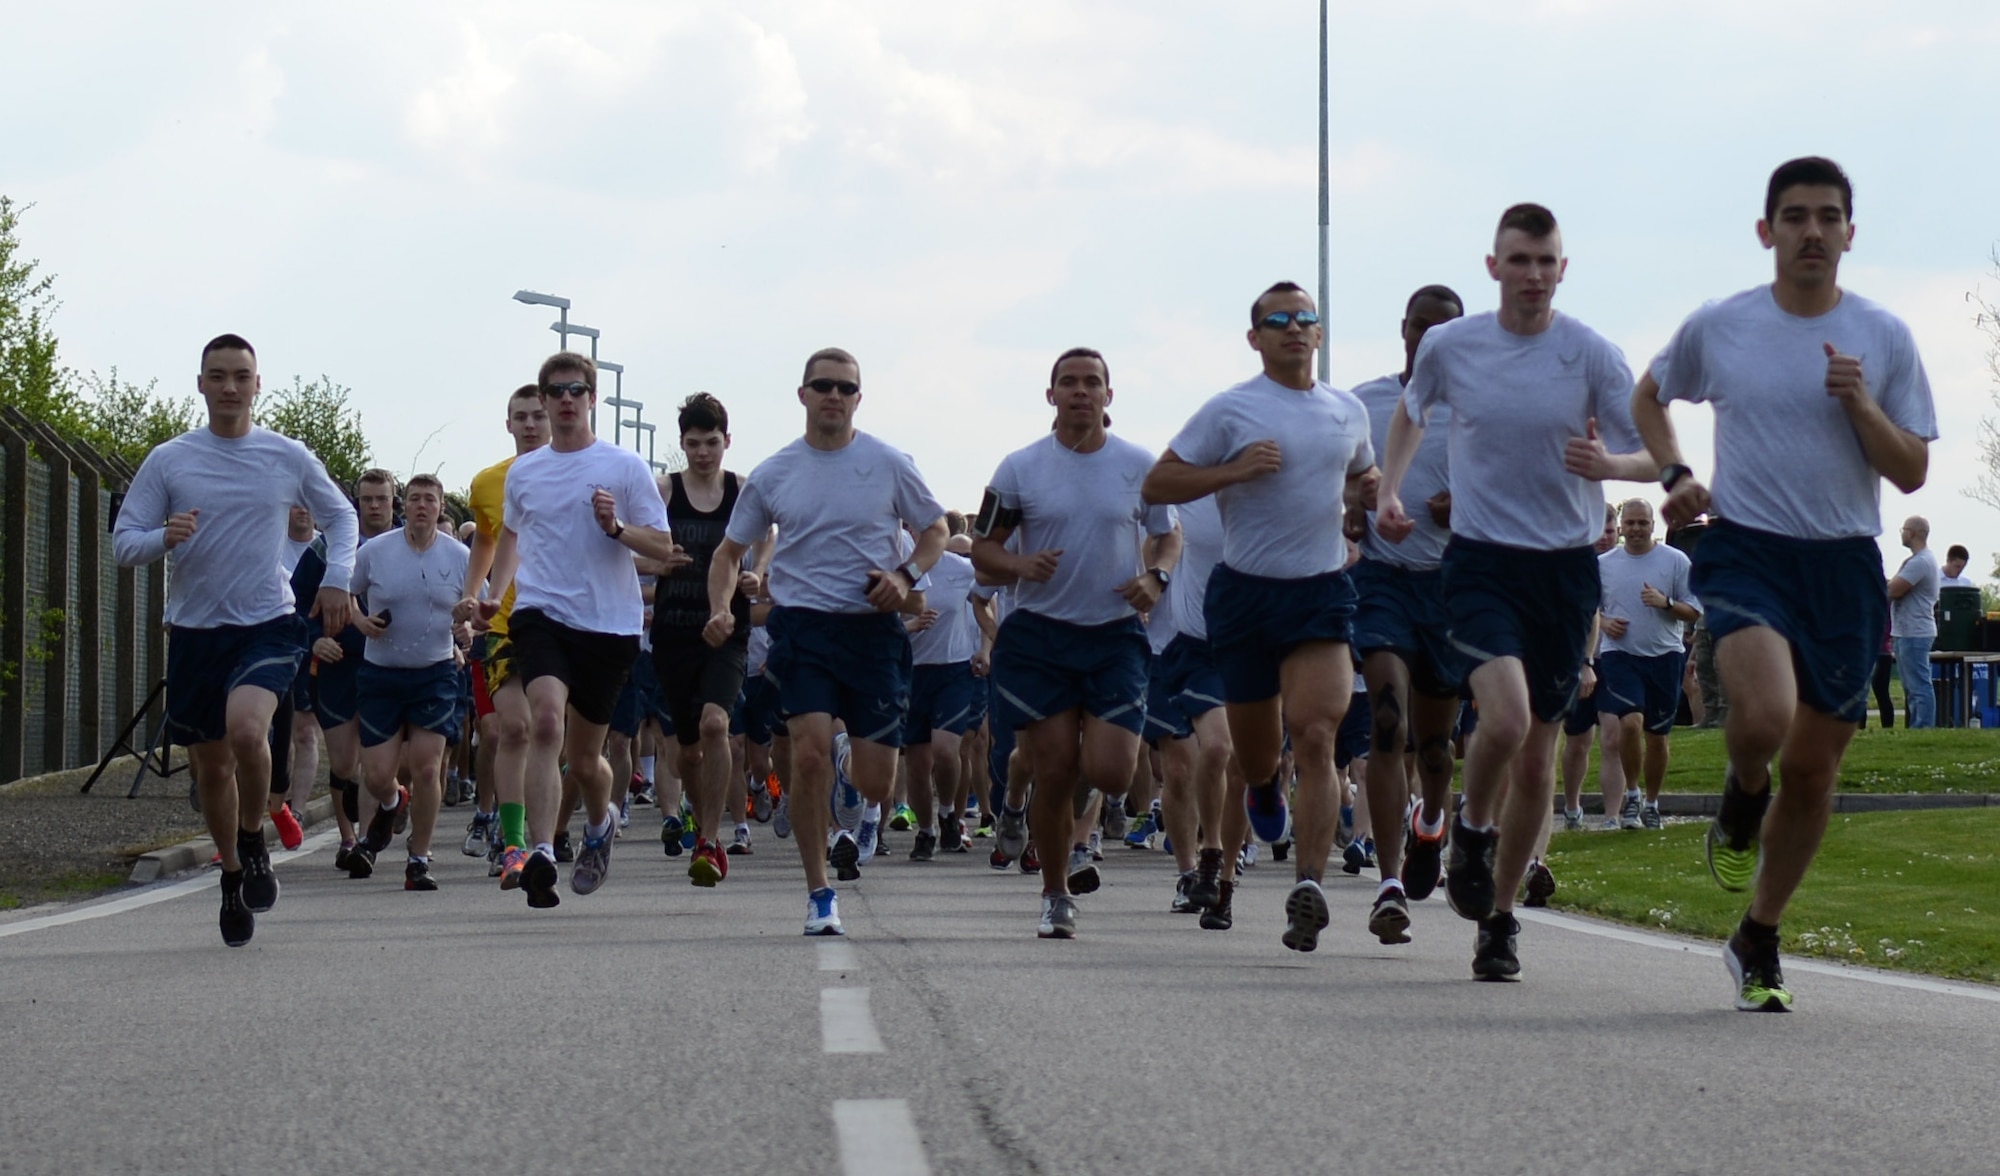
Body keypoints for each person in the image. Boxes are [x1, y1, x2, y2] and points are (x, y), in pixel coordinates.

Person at [1633, 156, 1936, 1011]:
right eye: (1795, 216)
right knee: (1762, 719)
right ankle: (1740, 795)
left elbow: (1911, 470)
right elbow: (1648, 397)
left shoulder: (1884, 336)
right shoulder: (1722, 325)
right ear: (1767, 231)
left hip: (1843, 563)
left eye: (1828, 216)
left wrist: (1861, 406)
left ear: (1849, 233)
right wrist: (1674, 471)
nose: (1812, 230)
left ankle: (1759, 933)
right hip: (1749, 550)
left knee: (1813, 771)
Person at [1376, 204, 1649, 981]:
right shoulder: (1452, 346)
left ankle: (1498, 920)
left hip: (1563, 572)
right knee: (1506, 714)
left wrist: (1610, 467)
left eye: (1546, 261)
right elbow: (1409, 414)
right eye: (1518, 260)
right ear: (1493, 267)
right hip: (1483, 561)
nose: (1533, 275)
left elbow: (1649, 454)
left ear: (1564, 269)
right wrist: (1391, 489)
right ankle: (1467, 825)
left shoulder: (1592, 353)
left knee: (1536, 762)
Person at [1143, 282, 1377, 954]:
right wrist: (1233, 471)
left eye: (1306, 319)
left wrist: (1367, 500)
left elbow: (1363, 474)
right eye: (1279, 321)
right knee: (1253, 755)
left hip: (1320, 593)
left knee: (1316, 736)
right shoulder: (1230, 410)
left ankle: (1308, 886)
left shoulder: (1347, 410)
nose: (1294, 329)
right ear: (1255, 338)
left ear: (1320, 334)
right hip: (1245, 596)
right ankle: (1265, 793)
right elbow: (1159, 484)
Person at [113, 334, 357, 946]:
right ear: (200, 384)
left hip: (267, 622)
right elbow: (124, 542)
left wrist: (337, 582)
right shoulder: (171, 459)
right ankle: (230, 874)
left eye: (240, 376)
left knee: (249, 730)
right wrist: (162, 538)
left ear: (256, 384)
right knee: (212, 765)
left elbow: (343, 515)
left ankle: (254, 838)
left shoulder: (285, 455)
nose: (229, 387)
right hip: (196, 631)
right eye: (217, 376)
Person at [705, 347, 947, 937]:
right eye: (822, 386)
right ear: (803, 395)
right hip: (804, 628)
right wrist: (719, 607)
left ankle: (849, 761)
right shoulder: (775, 472)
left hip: (872, 631)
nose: (833, 396)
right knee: (806, 755)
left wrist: (904, 577)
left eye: (845, 387)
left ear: (858, 398)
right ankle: (818, 893)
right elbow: (728, 552)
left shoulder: (888, 463)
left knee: (875, 783)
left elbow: (935, 529)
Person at [973, 347, 1180, 939]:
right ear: (1051, 395)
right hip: (1040, 637)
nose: (1081, 392)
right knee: (1056, 767)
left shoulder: (1139, 465)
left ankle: (1044, 812)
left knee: (1113, 772)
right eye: (1069, 383)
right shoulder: (1020, 468)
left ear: (1109, 396)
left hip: (1114, 635)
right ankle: (1055, 894)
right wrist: (1018, 562)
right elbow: (984, 549)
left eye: (1093, 383)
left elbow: (1167, 538)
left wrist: (1155, 577)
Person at [474, 353, 677, 908]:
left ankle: (599, 825)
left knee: (587, 760)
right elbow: (511, 536)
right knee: (544, 722)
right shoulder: (525, 472)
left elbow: (662, 550)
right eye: (555, 391)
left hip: (608, 626)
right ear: (543, 401)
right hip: (539, 615)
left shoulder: (624, 467)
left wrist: (615, 527)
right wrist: (495, 593)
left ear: (592, 399)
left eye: (576, 390)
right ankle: (541, 850)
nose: (565, 400)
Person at [1345, 283, 1468, 943]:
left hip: (1447, 585)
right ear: (1404, 330)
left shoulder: (1478, 408)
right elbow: (1335, 492)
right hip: (1383, 582)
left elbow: (1512, 491)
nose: (1431, 341)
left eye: (1446, 331)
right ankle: (1389, 882)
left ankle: (1432, 825)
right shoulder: (1365, 403)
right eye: (1422, 328)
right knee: (1386, 726)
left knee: (1437, 747)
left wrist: (1465, 507)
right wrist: (1354, 503)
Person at [652, 393, 764, 887]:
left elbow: (767, 538)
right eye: (694, 443)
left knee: (718, 724)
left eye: (712, 443)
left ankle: (710, 840)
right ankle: (701, 819)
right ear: (681, 444)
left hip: (727, 630)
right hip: (674, 630)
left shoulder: (743, 489)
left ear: (727, 442)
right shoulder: (662, 490)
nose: (703, 453)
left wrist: (756, 573)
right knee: (687, 753)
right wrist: (654, 562)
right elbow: (626, 545)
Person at [342, 474, 471, 889]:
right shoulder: (376, 551)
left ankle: (419, 859)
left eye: (429, 500)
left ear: (439, 507)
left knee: (427, 765)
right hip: (381, 672)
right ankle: (393, 800)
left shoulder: (459, 556)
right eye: (414, 499)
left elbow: (479, 609)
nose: (420, 506)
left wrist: (470, 630)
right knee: (378, 774)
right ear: (404, 505)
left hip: (434, 673)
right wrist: (359, 619)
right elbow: (344, 592)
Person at [461, 387, 550, 881]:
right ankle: (513, 842)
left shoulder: (577, 474)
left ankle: (554, 827)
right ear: (508, 424)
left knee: (555, 735)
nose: (532, 425)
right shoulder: (488, 482)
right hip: (505, 624)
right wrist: (474, 594)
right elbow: (488, 541)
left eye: (539, 416)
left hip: (562, 621)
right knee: (509, 728)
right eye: (522, 417)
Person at [1595, 498, 1699, 829]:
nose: (1636, 529)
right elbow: (1589, 608)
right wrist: (1604, 623)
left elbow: (1694, 610)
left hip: (1665, 655)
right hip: (1619, 654)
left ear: (1653, 525)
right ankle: (1632, 795)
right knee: (1629, 722)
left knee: (1657, 736)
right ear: (1621, 527)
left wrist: (1665, 603)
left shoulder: (1676, 560)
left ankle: (1652, 803)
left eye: (1643, 523)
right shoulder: (1604, 564)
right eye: (1631, 523)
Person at [1887, 515, 1939, 729]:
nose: (1902, 533)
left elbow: (1893, 590)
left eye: (1904, 529)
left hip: (1915, 632)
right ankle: (1916, 728)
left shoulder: (1921, 561)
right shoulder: (1916, 560)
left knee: (1919, 686)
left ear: (1912, 532)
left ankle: (1923, 728)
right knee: (1910, 687)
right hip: (1905, 631)